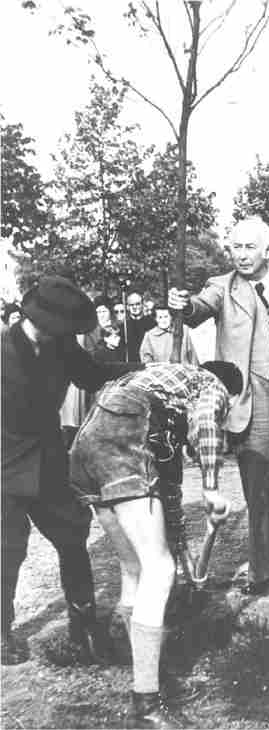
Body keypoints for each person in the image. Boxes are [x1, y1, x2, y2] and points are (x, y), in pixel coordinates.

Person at [70, 361, 243, 728]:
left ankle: (137, 666)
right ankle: (145, 704)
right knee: (159, 570)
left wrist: (181, 545)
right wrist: (211, 487)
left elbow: (166, 492)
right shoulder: (208, 384)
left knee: (135, 566)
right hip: (124, 433)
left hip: (88, 440)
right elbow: (209, 423)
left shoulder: (160, 383)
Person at [169, 216, 269, 595]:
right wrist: (183, 306)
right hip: (248, 398)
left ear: (268, 251)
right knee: (257, 492)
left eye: (249, 247)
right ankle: (261, 573)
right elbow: (199, 308)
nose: (241, 255)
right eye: (235, 247)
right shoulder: (221, 287)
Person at [1, 275, 143, 665]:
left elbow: (93, 375)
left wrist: (144, 369)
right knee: (7, 551)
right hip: (4, 471)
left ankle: (84, 626)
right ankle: (2, 632)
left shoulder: (60, 346)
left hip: (49, 465)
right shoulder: (2, 349)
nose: (69, 336)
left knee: (73, 539)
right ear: (43, 323)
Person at [121, 290, 156, 361]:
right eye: (131, 305)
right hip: (130, 364)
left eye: (137, 304)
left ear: (142, 304)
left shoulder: (152, 323)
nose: (134, 307)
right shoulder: (123, 326)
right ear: (127, 306)